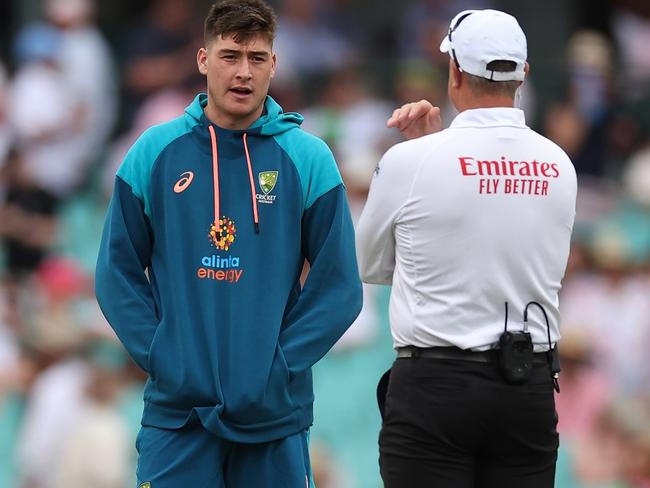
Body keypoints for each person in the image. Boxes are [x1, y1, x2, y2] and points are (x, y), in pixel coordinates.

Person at [95, 1, 362, 486]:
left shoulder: (307, 158)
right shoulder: (154, 152)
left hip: (273, 419)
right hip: (177, 416)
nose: (243, 72)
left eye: (257, 58)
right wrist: (163, 355)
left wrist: (276, 367)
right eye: (230, 55)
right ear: (203, 59)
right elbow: (116, 273)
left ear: (274, 65)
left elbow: (339, 287)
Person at [356, 9, 577, 488]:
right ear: (523, 76)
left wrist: (424, 153)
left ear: (454, 72)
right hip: (529, 386)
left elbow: (370, 264)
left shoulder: (411, 160)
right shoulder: (560, 164)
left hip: (436, 387)